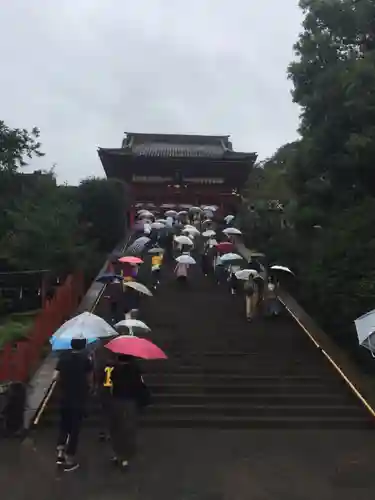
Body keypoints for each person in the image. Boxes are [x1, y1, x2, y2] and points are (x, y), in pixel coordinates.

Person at [100, 354, 149, 469]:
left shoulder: (113, 369)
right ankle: (126, 457)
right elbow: (141, 385)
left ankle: (117, 454)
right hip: (130, 402)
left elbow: (106, 384)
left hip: (116, 401)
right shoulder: (135, 369)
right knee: (128, 430)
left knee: (116, 429)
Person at [53, 335, 93, 471]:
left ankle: (60, 452)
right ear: (83, 346)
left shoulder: (63, 358)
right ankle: (69, 459)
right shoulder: (85, 360)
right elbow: (89, 378)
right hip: (78, 397)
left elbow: (55, 377)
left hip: (64, 396)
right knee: (75, 428)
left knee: (64, 424)